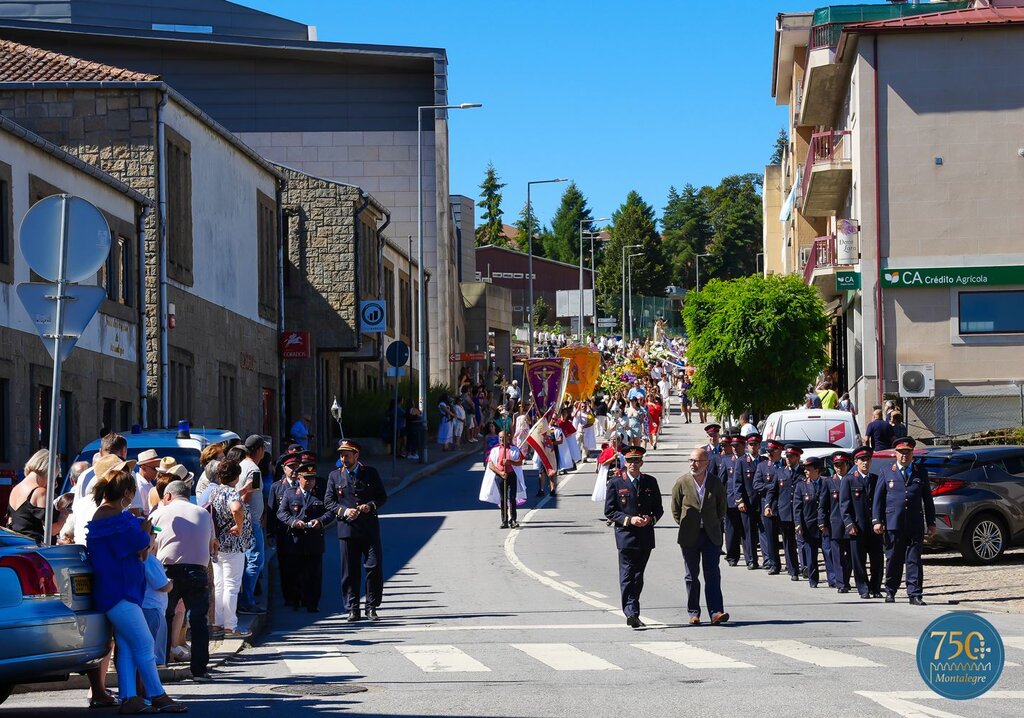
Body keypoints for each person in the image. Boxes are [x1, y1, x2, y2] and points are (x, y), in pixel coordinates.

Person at [86, 462, 187, 714]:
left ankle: (130, 697)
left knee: (129, 646)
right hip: (120, 593)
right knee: (143, 644)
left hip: (118, 592)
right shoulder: (116, 519)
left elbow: (138, 550)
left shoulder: (106, 517)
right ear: (128, 492)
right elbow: (142, 546)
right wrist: (145, 530)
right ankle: (157, 695)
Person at [324, 440, 388, 622]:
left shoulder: (370, 473)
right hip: (347, 529)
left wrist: (370, 506)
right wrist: (344, 511)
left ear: (356, 455)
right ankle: (352, 608)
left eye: (347, 455)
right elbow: (328, 502)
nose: (343, 458)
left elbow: (382, 497)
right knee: (349, 571)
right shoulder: (334, 476)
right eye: (341, 455)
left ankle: (371, 606)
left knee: (373, 567)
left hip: (369, 528)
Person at [603, 446, 664, 629]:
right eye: (630, 461)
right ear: (625, 463)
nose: (633, 464)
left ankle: (633, 608)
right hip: (626, 536)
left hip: (645, 536)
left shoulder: (650, 482)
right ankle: (631, 612)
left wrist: (649, 518)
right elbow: (610, 511)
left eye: (636, 461)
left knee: (638, 575)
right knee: (627, 574)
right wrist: (629, 519)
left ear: (641, 463)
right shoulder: (616, 483)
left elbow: (658, 509)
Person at [873, 436, 936, 605]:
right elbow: (878, 499)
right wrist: (877, 520)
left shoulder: (919, 472)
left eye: (907, 452)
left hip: (914, 523)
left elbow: (927, 500)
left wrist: (931, 522)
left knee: (914, 559)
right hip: (894, 522)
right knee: (893, 558)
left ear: (912, 453)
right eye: (901, 452)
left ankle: (915, 593)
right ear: (895, 453)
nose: (904, 456)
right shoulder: (887, 472)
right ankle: (890, 590)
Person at [671, 447, 729, 625]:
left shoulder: (715, 482)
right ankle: (694, 612)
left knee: (712, 574)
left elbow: (722, 508)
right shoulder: (682, 482)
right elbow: (675, 509)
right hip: (690, 536)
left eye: (697, 461)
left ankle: (716, 612)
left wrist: (710, 523)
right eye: (691, 460)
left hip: (711, 535)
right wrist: (688, 524)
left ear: (706, 463)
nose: (693, 464)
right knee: (691, 575)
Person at [277, 464, 335, 612]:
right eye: (306, 479)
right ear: (299, 478)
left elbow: (330, 512)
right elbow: (281, 513)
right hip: (295, 540)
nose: (310, 482)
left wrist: (320, 521)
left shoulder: (320, 494)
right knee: (295, 572)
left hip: (314, 540)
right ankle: (296, 600)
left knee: (314, 574)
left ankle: (312, 603)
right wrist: (294, 522)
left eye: (312, 479)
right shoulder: (290, 494)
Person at [208, 459, 254, 639]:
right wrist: (239, 526)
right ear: (236, 476)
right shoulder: (232, 495)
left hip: (217, 542)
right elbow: (236, 508)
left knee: (219, 585)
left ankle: (218, 623)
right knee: (232, 586)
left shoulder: (215, 492)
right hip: (233, 544)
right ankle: (231, 626)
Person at [841, 446, 884, 599]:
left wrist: (881, 521)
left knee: (877, 559)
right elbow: (844, 505)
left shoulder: (876, 479)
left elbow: (881, 503)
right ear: (856, 462)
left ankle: (876, 587)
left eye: (867, 460)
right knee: (859, 560)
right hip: (857, 527)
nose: (865, 463)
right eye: (862, 460)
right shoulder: (849, 479)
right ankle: (863, 588)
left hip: (874, 526)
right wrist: (849, 524)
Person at [8, 449, 66, 544]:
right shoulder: (40, 492)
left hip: (17, 545)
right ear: (50, 471)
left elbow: (11, 520)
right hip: (36, 550)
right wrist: (63, 516)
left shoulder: (16, 489)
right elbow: (51, 530)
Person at [238, 435, 267, 616]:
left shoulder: (242, 466)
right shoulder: (254, 470)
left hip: (247, 520)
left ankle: (246, 598)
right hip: (250, 522)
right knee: (256, 560)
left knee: (248, 560)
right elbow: (248, 494)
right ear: (258, 449)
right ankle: (247, 600)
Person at [766, 445, 803, 581]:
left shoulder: (803, 473)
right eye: (787, 457)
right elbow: (772, 490)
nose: (788, 459)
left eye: (791, 457)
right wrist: (767, 505)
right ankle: (793, 570)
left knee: (802, 542)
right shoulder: (780, 472)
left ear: (798, 457)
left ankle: (805, 567)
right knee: (789, 542)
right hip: (785, 512)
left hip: (801, 513)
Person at [820, 451, 853, 593]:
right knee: (838, 556)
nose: (839, 467)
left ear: (847, 465)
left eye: (842, 464)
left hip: (852, 524)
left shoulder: (853, 480)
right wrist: (822, 522)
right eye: (836, 465)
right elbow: (823, 504)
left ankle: (845, 577)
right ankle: (841, 583)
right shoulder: (829, 482)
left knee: (851, 556)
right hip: (835, 524)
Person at [479, 431, 526, 529]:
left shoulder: (514, 449)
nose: (501, 440)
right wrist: (500, 473)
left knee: (512, 498)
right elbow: (491, 464)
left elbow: (519, 462)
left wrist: (510, 462)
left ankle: (513, 520)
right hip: (500, 476)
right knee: (503, 499)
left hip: (512, 475)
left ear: (508, 438)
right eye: (500, 438)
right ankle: (504, 520)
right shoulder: (495, 450)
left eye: (503, 438)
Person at [141, 525, 172, 667]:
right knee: (154, 651)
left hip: (143, 607)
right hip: (153, 608)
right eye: (154, 534)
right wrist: (170, 584)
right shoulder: (150, 560)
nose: (155, 538)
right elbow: (162, 586)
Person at [753, 440, 785, 574]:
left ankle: (791, 564)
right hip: (768, 505)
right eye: (768, 452)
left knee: (788, 538)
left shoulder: (785, 464)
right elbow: (756, 485)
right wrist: (772, 487)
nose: (770, 455)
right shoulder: (762, 466)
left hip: (784, 506)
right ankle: (774, 564)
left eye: (772, 452)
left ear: (779, 451)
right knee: (770, 537)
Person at [793, 457, 826, 588]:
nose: (806, 471)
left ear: (817, 470)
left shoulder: (826, 483)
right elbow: (797, 508)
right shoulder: (801, 486)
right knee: (811, 555)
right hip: (808, 525)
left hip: (824, 526)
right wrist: (798, 524)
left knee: (828, 552)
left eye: (808, 469)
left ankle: (834, 579)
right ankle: (813, 579)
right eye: (805, 469)